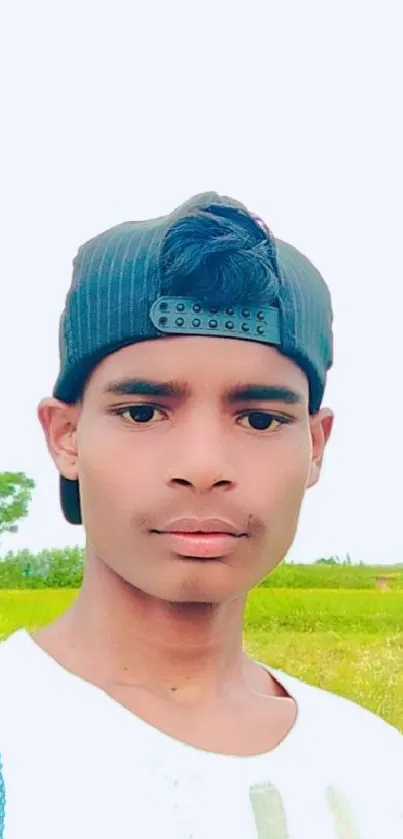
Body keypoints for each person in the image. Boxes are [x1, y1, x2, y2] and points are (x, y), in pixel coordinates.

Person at [0, 192, 401, 838]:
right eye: (142, 411)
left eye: (260, 418)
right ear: (66, 437)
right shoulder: (14, 748)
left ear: (314, 446)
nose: (203, 464)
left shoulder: (377, 769)